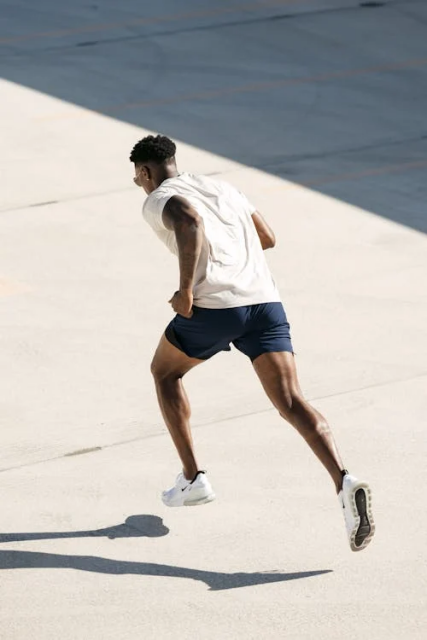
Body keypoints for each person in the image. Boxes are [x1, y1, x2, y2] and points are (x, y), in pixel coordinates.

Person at [130, 134, 375, 552]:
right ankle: (344, 481)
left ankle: (192, 478)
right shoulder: (222, 187)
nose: (139, 185)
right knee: (292, 401)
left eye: (137, 178)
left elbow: (188, 222)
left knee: (165, 373)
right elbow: (267, 237)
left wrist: (186, 289)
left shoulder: (159, 198)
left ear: (147, 171)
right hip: (264, 302)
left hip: (214, 308)